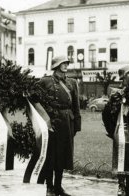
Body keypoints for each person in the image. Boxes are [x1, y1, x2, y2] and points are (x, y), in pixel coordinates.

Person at [38, 56, 81, 196]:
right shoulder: (45, 81)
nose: (66, 65)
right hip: (52, 122)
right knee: (51, 156)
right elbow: (34, 98)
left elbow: (76, 105)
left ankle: (58, 186)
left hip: (67, 122)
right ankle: (49, 187)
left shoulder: (72, 82)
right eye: (63, 63)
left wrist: (76, 124)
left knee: (62, 156)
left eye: (67, 63)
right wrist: (45, 117)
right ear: (56, 65)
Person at [104, 65, 129, 196]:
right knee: (122, 158)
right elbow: (108, 113)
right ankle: (121, 186)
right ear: (124, 77)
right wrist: (113, 132)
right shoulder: (117, 94)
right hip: (122, 131)